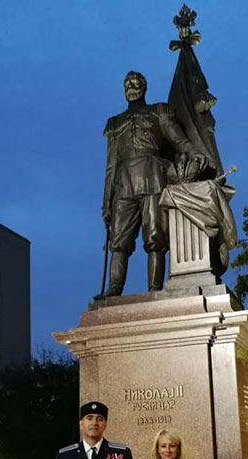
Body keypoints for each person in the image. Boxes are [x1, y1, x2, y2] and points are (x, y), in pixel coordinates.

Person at [95, 70, 208, 299]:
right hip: (124, 184)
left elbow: (177, 139)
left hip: (152, 177)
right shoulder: (114, 123)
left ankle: (154, 290)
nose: (131, 86)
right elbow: (111, 165)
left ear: (144, 87)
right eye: (127, 83)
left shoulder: (158, 111)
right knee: (118, 240)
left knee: (155, 236)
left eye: (135, 82)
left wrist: (193, 151)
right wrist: (106, 202)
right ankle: (114, 289)